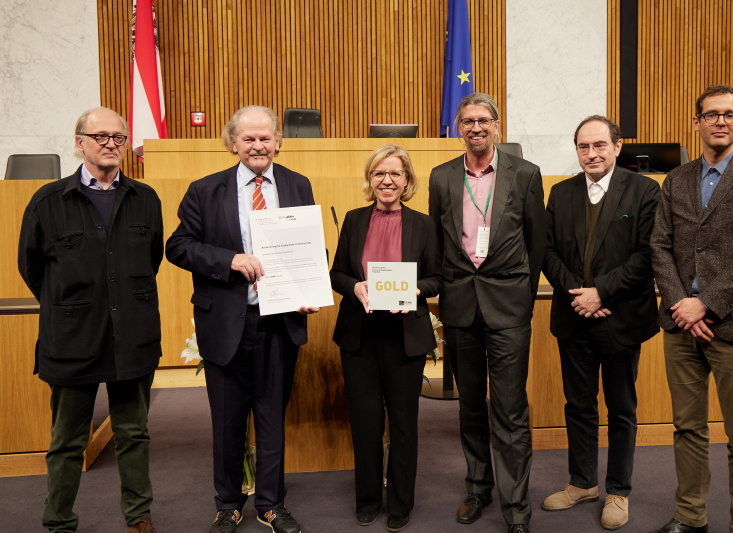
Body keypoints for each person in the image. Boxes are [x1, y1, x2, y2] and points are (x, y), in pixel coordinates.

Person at [165, 105, 318, 533]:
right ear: (233, 142)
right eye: (248, 138)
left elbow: (308, 246)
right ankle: (228, 504)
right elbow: (178, 247)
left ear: (278, 141)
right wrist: (228, 259)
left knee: (272, 419)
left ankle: (271, 504)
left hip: (279, 322)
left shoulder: (297, 184)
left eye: (265, 138)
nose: (258, 146)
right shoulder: (204, 190)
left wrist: (308, 289)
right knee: (228, 422)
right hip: (227, 324)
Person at [17, 107, 163, 533]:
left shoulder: (145, 198)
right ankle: (59, 521)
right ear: (79, 142)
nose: (111, 144)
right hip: (72, 339)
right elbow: (33, 269)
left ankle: (138, 516)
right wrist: (72, 306)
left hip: (132, 336)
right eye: (100, 136)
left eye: (118, 137)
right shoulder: (48, 201)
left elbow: (150, 261)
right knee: (67, 440)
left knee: (134, 434)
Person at [649, 85, 733, 533]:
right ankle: (691, 518)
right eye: (711, 115)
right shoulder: (676, 180)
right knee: (688, 430)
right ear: (697, 122)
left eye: (730, 115)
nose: (721, 122)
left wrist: (705, 303)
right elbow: (660, 247)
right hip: (681, 327)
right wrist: (680, 305)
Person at [428, 92, 547, 533]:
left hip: (509, 307)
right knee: (470, 408)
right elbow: (437, 246)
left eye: (483, 120)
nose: (476, 128)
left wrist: (522, 295)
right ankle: (478, 487)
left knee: (511, 409)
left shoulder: (526, 174)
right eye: (467, 121)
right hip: (460, 307)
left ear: (497, 125)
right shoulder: (441, 178)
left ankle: (516, 507)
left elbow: (537, 244)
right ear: (458, 127)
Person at [541, 115, 660, 530]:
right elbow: (547, 251)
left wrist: (601, 293)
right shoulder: (560, 193)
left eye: (598, 145)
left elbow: (647, 256)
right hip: (574, 318)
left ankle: (618, 491)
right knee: (578, 407)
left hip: (621, 319)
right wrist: (579, 294)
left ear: (617, 146)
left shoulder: (645, 191)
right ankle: (582, 483)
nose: (591, 153)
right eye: (583, 147)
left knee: (621, 409)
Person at [330, 144, 442, 532]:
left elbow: (437, 278)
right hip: (360, 336)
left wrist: (414, 290)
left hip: (404, 336)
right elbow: (337, 273)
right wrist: (355, 286)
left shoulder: (424, 224)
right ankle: (367, 499)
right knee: (364, 422)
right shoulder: (353, 219)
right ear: (369, 178)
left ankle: (400, 503)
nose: (387, 181)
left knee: (404, 423)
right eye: (379, 173)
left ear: (407, 180)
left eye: (395, 174)